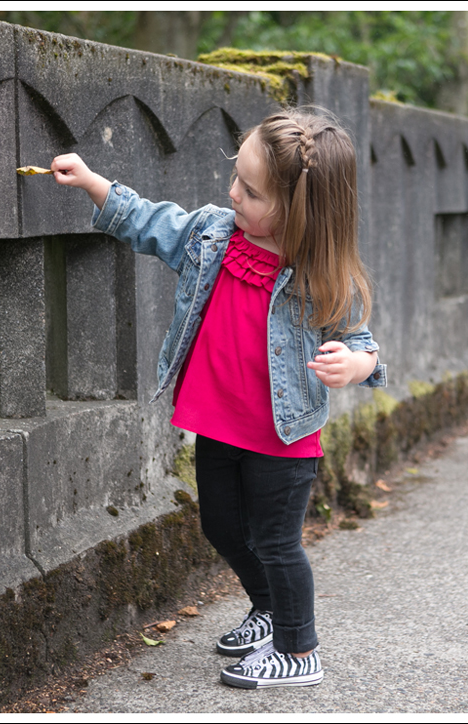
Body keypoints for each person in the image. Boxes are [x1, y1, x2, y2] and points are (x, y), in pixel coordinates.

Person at [51, 107, 386, 689]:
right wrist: (90, 181)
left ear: (297, 210)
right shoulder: (212, 233)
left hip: (284, 437)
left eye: (250, 191)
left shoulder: (321, 274)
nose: (232, 192)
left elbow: (363, 342)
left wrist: (355, 365)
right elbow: (150, 222)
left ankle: (299, 649)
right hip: (220, 422)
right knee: (223, 528)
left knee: (279, 543)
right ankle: (268, 609)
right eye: (236, 177)